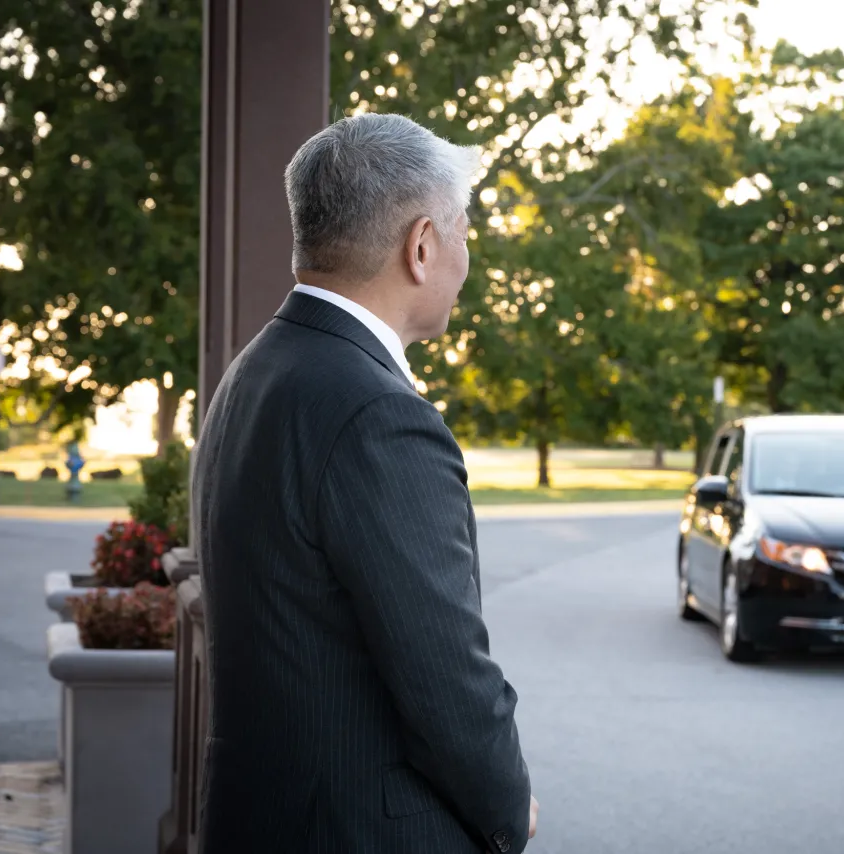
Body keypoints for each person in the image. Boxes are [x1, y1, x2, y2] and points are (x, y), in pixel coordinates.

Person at [192, 113, 536, 854]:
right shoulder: (378, 414)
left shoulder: (251, 374)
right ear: (422, 245)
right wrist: (510, 809)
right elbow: (444, 674)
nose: (466, 257)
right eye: (464, 234)